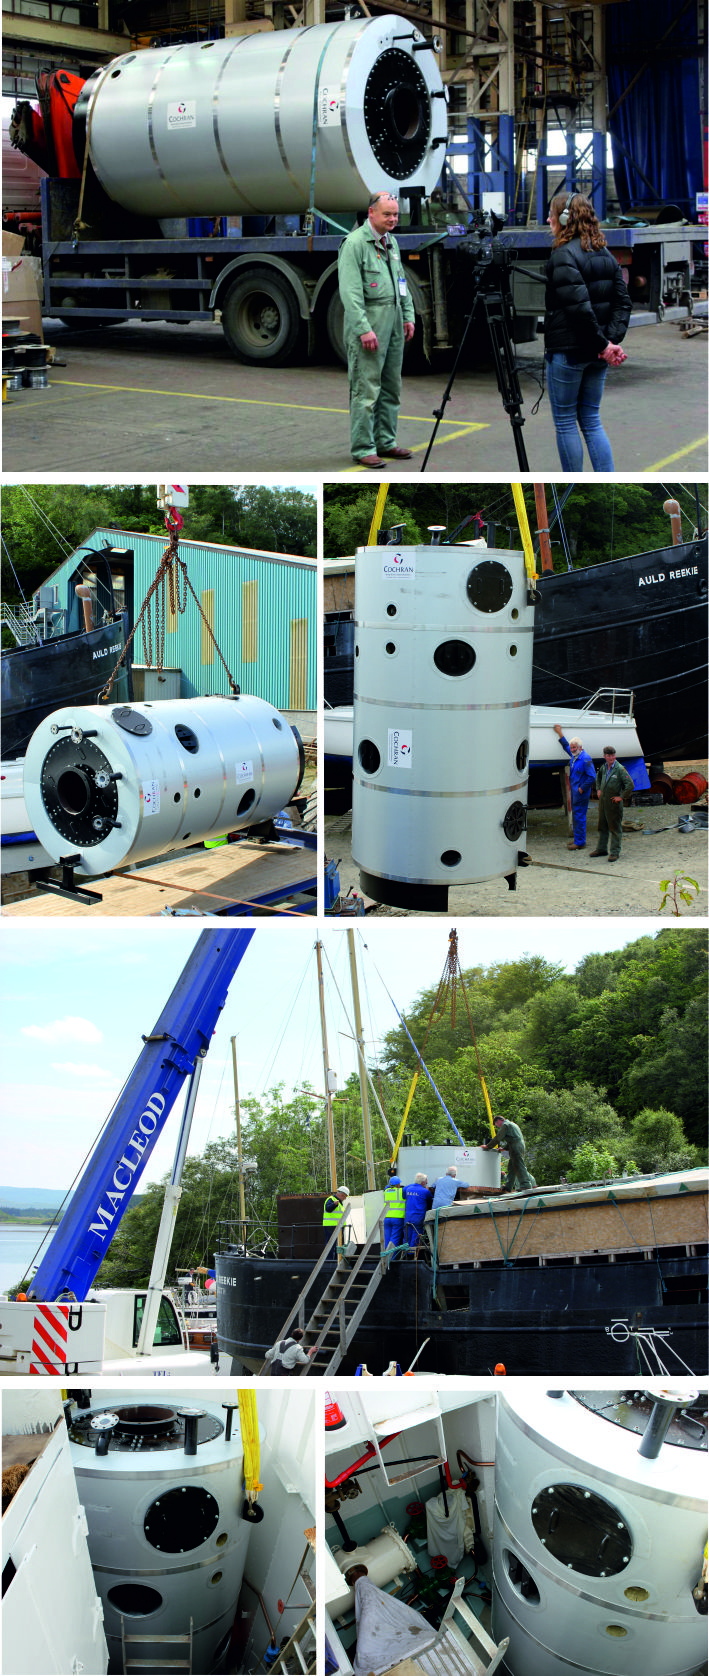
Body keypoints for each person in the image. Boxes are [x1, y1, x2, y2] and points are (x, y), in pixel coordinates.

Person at [544, 191, 631, 471]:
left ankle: (573, 480)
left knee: (566, 420)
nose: (548, 219)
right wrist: (610, 342)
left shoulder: (562, 255)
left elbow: (579, 309)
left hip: (571, 352)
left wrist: (605, 345)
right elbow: (622, 302)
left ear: (565, 219)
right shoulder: (605, 254)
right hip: (597, 353)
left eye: (552, 214)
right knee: (591, 420)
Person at [338, 190, 416, 468]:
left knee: (391, 387)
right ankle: (363, 447)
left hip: (393, 321)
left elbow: (401, 282)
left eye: (395, 214)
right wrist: (363, 328)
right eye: (387, 214)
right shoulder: (355, 244)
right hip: (370, 324)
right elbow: (350, 292)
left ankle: (386, 441)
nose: (393, 219)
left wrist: (408, 316)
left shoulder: (391, 243)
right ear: (371, 213)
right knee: (366, 388)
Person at [553, 724, 597, 850]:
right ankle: (578, 839)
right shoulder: (574, 756)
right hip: (575, 792)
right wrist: (559, 733)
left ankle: (580, 842)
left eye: (574, 747)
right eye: (572, 748)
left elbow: (592, 776)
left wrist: (581, 788)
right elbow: (566, 746)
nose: (572, 749)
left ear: (580, 747)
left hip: (580, 793)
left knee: (579, 816)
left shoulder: (585, 759)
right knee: (576, 816)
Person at [592, 746, 635, 861]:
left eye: (613, 755)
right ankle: (601, 849)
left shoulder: (620, 769)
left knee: (615, 828)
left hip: (613, 803)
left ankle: (615, 852)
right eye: (608, 756)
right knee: (602, 826)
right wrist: (598, 789)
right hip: (603, 802)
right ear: (605, 756)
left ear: (615, 755)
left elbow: (630, 784)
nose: (611, 758)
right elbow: (598, 777)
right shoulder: (604, 767)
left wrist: (621, 797)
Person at [482, 1115, 536, 1192]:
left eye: (496, 1125)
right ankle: (508, 1186)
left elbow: (498, 1138)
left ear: (498, 1121)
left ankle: (526, 1185)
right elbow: (513, 1139)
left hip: (515, 1148)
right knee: (511, 1167)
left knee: (519, 1165)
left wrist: (488, 1146)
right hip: (517, 1146)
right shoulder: (513, 1124)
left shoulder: (505, 1125)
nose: (497, 1126)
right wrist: (504, 1148)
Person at [402, 1172, 432, 1249]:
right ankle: (412, 1255)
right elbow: (430, 1200)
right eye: (426, 1181)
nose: (427, 1182)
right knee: (417, 1235)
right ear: (423, 1182)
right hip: (418, 1216)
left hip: (408, 1216)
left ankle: (405, 1253)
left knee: (407, 1236)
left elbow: (403, 1194)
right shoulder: (425, 1191)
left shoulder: (408, 1189)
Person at [322, 1184, 350, 1255]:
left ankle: (336, 1259)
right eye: (345, 1196)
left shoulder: (339, 1203)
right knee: (330, 1244)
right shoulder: (331, 1199)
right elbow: (328, 1209)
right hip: (331, 1226)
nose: (345, 1198)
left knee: (338, 1245)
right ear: (342, 1195)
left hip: (338, 1227)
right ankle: (330, 1260)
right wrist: (334, 1204)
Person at [383, 1173, 406, 1252]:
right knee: (394, 1239)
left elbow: (386, 1188)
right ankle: (391, 1259)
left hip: (386, 1218)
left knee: (387, 1239)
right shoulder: (401, 1191)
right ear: (398, 1184)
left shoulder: (385, 1192)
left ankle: (385, 1257)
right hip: (397, 1218)